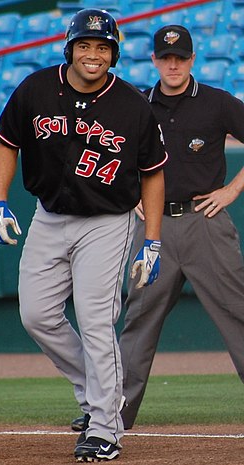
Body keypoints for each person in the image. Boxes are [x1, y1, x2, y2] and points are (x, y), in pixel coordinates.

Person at [0, 8, 167, 462]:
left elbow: (152, 174)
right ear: (70, 49)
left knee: (95, 320)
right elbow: (7, 143)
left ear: (114, 55)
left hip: (108, 221)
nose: (93, 54)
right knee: (37, 315)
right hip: (49, 216)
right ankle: (96, 396)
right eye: (85, 46)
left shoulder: (132, 105)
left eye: (103, 47)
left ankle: (106, 427)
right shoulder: (35, 89)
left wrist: (152, 240)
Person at [118, 24, 244, 431]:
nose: (173, 64)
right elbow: (113, 154)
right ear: (153, 59)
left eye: (180, 57)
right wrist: (130, 195)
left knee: (238, 312)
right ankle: (112, 414)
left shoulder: (217, 103)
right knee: (138, 319)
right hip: (153, 226)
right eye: (165, 57)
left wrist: (231, 190)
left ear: (192, 59)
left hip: (205, 221)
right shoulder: (135, 103)